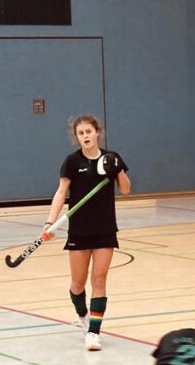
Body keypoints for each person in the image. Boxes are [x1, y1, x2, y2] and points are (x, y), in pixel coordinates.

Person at [44, 114, 131, 351]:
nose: (85, 136)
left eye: (89, 132)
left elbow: (125, 189)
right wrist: (50, 222)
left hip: (105, 229)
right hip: (79, 231)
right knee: (78, 284)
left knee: (99, 280)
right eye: (81, 133)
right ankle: (83, 315)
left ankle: (93, 332)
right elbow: (61, 192)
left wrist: (118, 170)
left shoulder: (112, 157)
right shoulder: (72, 162)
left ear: (97, 132)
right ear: (77, 137)